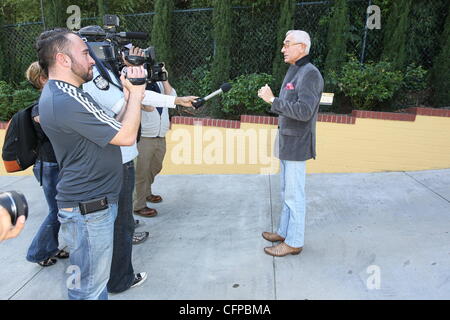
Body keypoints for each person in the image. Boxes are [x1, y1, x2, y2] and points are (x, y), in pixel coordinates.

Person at [81, 34, 196, 293]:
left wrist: (174, 100)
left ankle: (112, 276)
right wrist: (138, 86)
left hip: (120, 159)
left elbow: (137, 97)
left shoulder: (109, 75)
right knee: (119, 225)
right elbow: (130, 102)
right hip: (114, 163)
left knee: (119, 224)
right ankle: (119, 279)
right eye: (124, 50)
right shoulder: (95, 79)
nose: (131, 54)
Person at [36, 28, 145, 300]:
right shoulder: (66, 98)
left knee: (86, 286)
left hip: (88, 208)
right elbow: (127, 135)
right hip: (88, 211)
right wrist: (139, 94)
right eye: (85, 53)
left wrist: (131, 96)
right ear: (63, 59)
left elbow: (113, 126)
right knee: (88, 290)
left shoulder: (68, 92)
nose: (93, 60)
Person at [258, 30, 324, 257]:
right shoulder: (295, 70)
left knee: (295, 196)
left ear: (302, 48)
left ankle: (294, 242)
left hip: (297, 145)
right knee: (287, 191)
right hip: (287, 142)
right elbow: (289, 104)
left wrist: (272, 100)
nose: (283, 49)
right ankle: (284, 232)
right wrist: (275, 101)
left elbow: (305, 112)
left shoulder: (310, 74)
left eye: (287, 44)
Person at [24, 62, 69, 267]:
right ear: (43, 79)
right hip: (50, 165)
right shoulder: (41, 104)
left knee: (61, 210)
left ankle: (50, 248)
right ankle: (38, 252)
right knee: (57, 211)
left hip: (55, 163)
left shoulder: (50, 100)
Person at [133, 64, 177, 218]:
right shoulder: (137, 85)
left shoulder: (159, 83)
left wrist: (164, 77)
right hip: (145, 136)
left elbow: (172, 96)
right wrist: (141, 78)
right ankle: (138, 205)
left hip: (161, 135)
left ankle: (146, 193)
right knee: (141, 172)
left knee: (155, 167)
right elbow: (140, 101)